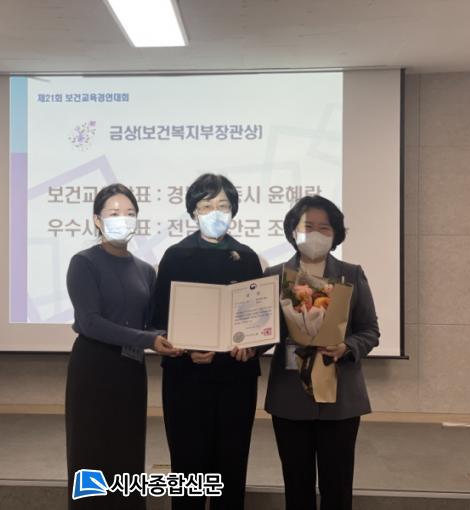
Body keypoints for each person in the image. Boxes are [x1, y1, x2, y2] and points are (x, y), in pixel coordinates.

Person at [152, 173, 264, 510]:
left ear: (234, 211)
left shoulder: (247, 258)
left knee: (231, 467)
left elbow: (261, 322)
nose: (215, 213)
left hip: (235, 381)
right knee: (187, 468)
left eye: (223, 206)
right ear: (193, 211)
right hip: (186, 379)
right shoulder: (175, 256)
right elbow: (157, 320)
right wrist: (184, 349)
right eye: (206, 206)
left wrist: (253, 346)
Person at [65, 184, 181, 510]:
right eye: (114, 213)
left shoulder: (145, 270)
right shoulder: (84, 263)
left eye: (130, 213)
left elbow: (149, 325)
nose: (123, 219)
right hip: (93, 369)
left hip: (131, 372)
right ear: (97, 220)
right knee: (90, 452)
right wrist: (148, 340)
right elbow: (90, 322)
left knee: (127, 453)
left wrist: (183, 338)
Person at [264, 195, 380, 510]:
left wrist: (347, 346)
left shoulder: (351, 274)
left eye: (324, 227)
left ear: (335, 233)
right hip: (290, 396)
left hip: (341, 399)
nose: (315, 234)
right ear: (292, 231)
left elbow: (370, 330)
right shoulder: (274, 276)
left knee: (338, 487)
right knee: (296, 485)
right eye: (308, 226)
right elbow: (263, 331)